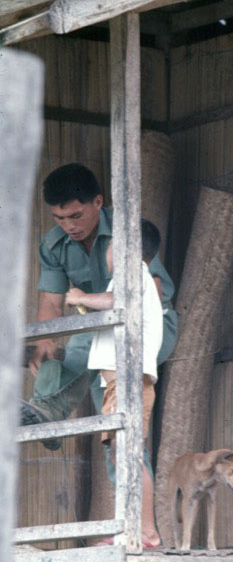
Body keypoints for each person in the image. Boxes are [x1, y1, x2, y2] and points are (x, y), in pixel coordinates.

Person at [20, 163, 178, 464]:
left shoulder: (126, 231)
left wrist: (94, 304)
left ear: (98, 202)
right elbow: (51, 304)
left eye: (76, 216)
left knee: (91, 333)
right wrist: (45, 341)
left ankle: (49, 412)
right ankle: (46, 415)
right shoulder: (54, 245)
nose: (69, 226)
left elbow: (151, 294)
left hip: (151, 326)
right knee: (117, 445)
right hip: (101, 338)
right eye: (60, 218)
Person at [65, 223, 162, 547]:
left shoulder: (132, 272)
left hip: (126, 380)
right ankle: (135, 528)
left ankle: (145, 531)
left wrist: (80, 296)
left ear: (127, 249)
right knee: (122, 455)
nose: (106, 252)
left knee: (129, 454)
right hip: (121, 382)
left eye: (110, 246)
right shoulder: (139, 277)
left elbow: (115, 300)